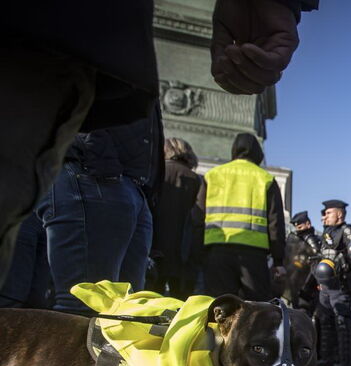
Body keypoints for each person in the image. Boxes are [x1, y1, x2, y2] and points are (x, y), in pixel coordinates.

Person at [1, 0, 316, 283]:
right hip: (242, 254)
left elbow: (198, 215)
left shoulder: (217, 174)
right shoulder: (258, 178)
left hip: (209, 249)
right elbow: (272, 222)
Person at [24, 104, 162, 366]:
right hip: (94, 173)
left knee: (120, 314)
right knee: (78, 314)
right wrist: (96, 155)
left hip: (122, 181)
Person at [201, 133, 286, 301]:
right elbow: (276, 224)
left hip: (217, 251)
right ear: (258, 154)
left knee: (221, 307)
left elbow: (197, 216)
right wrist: (278, 261)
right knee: (256, 309)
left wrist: (198, 253)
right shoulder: (265, 179)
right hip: (253, 255)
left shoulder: (213, 175)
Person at [149, 137, 205, 299]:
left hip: (155, 246)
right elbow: (199, 218)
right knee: (179, 303)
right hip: (183, 252)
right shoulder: (196, 180)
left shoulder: (156, 173)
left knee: (151, 298)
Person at [316, 199, 351, 366]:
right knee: (326, 322)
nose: (325, 216)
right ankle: (328, 359)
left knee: (342, 323)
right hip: (326, 286)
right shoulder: (327, 233)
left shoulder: (347, 230)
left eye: (328, 213)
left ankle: (345, 362)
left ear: (339, 214)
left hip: (340, 285)